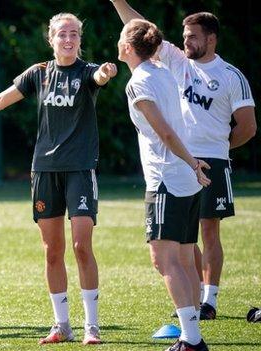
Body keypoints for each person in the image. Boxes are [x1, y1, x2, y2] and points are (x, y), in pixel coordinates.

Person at [0, 13, 116, 345]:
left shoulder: (86, 72)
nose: (68, 40)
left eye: (74, 34)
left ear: (80, 39)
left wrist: (106, 72)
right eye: (62, 34)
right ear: (51, 39)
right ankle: (61, 325)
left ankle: (92, 326)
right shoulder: (38, 74)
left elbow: (99, 77)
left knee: (82, 246)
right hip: (43, 170)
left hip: (80, 169)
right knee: (52, 251)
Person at [111, 0, 257, 320]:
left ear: (211, 39)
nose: (186, 41)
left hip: (209, 160)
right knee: (184, 240)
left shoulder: (230, 75)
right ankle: (194, 310)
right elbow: (142, 30)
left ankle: (210, 300)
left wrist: (220, 149)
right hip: (181, 159)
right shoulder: (176, 62)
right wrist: (118, 1)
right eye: (184, 35)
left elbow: (247, 126)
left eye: (193, 36)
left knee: (208, 232)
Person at [117, 18, 212, 351]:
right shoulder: (162, 71)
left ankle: (191, 338)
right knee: (185, 259)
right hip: (184, 179)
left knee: (163, 260)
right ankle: (193, 335)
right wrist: (193, 165)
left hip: (167, 179)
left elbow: (166, 133)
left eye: (121, 38)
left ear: (127, 47)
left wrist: (191, 163)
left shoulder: (139, 82)